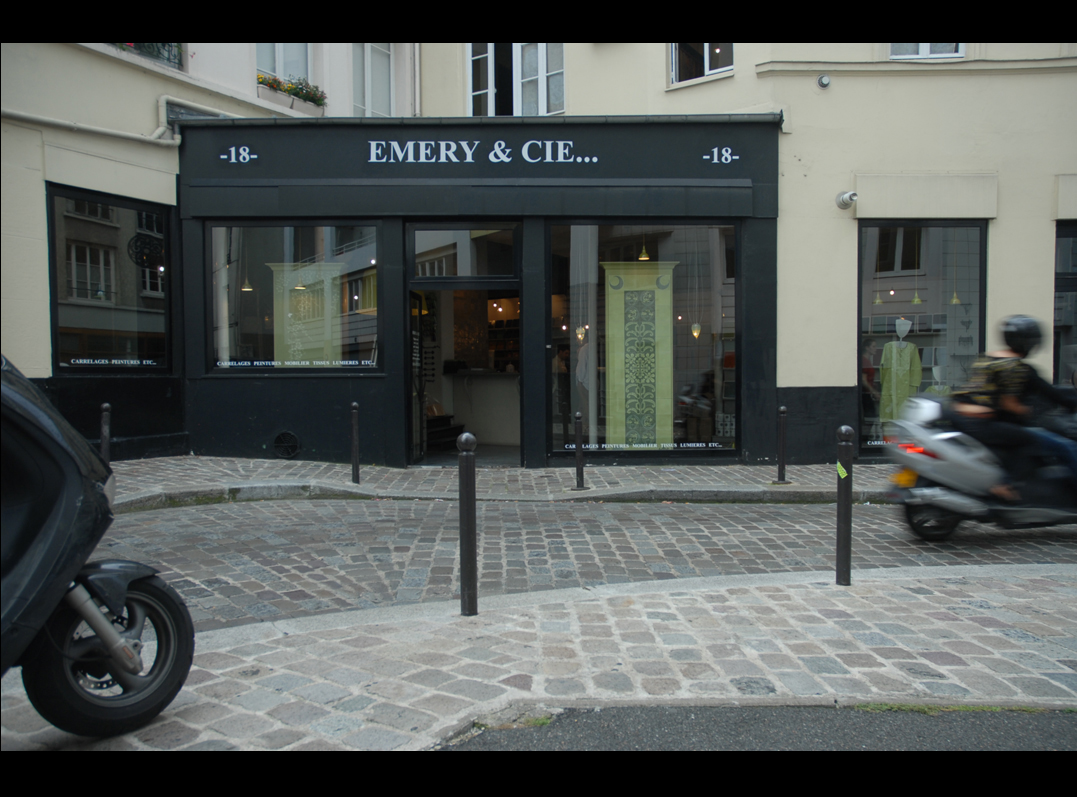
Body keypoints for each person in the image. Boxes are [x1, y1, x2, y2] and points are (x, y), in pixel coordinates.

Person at [951, 315, 1077, 501]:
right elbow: (1009, 402)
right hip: (981, 423)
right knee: (1030, 440)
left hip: (961, 416)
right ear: (1029, 343)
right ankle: (1006, 485)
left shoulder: (987, 358)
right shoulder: (1018, 368)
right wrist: (1027, 411)